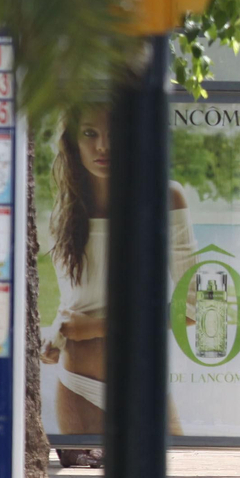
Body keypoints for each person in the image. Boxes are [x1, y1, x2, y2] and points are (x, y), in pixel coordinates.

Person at [41, 106, 196, 455]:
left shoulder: (165, 198)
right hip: (77, 385)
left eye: (114, 134)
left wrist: (96, 326)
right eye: (89, 134)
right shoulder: (64, 213)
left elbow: (193, 308)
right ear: (71, 142)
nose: (102, 147)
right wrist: (56, 334)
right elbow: (72, 304)